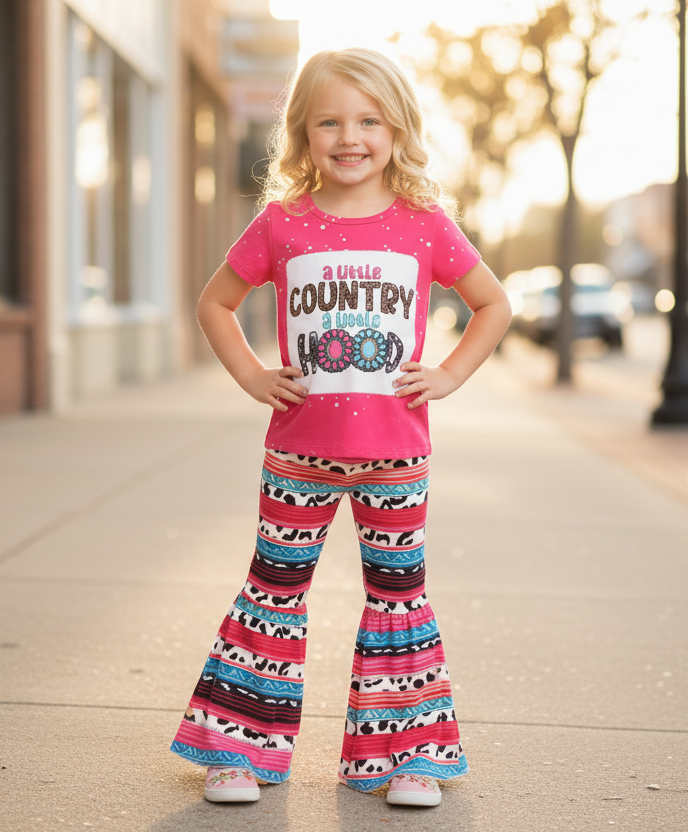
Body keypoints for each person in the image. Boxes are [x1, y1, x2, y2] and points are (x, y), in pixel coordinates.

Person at [169, 47, 510, 809]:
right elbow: (213, 304)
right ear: (302, 133)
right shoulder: (281, 222)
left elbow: (494, 304)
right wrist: (254, 375)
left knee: (399, 598)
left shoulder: (424, 224)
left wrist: (450, 374)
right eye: (329, 121)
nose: (349, 136)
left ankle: (404, 756)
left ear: (396, 130)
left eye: (368, 121)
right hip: (297, 453)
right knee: (274, 590)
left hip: (397, 458)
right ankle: (239, 750)